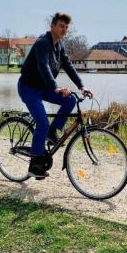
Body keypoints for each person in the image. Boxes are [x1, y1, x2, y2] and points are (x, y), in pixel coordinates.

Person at [18, 12, 93, 179]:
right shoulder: (42, 43)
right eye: (61, 26)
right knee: (42, 122)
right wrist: (56, 88)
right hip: (28, 88)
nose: (64, 30)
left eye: (66, 27)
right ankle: (35, 165)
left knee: (71, 99)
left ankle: (53, 131)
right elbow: (43, 67)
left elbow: (68, 66)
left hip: (44, 88)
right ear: (52, 26)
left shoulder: (60, 45)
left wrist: (81, 86)